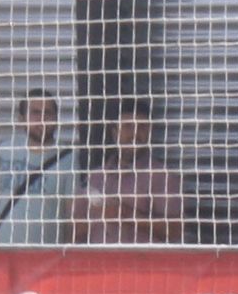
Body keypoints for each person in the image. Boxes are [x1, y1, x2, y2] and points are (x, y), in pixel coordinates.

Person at [0, 89, 79, 244]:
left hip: (44, 257)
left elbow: (72, 218)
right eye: (35, 112)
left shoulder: (69, 160)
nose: (42, 119)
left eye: (48, 113)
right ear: (22, 119)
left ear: (56, 119)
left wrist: (66, 257)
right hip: (3, 252)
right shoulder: (6, 150)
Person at [74, 103, 186, 244]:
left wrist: (125, 214)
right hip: (98, 264)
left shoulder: (162, 177)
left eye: (142, 127)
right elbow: (76, 232)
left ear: (150, 133)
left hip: (143, 264)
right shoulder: (95, 178)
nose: (135, 133)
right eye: (128, 126)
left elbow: (175, 230)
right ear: (115, 133)